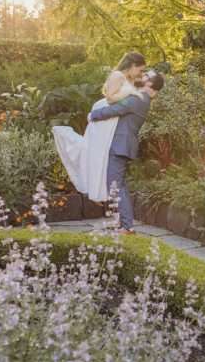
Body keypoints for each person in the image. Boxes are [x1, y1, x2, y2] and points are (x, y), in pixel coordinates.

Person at [52, 53, 153, 205]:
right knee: (92, 150)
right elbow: (110, 98)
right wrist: (130, 92)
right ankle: (65, 136)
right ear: (132, 66)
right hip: (105, 114)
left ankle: (108, 201)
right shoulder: (117, 75)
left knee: (101, 158)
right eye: (140, 69)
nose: (141, 73)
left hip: (112, 120)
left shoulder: (130, 80)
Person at [89, 69, 164, 234]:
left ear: (151, 83)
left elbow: (117, 109)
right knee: (116, 185)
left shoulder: (140, 98)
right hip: (121, 145)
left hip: (120, 146)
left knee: (115, 185)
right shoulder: (140, 97)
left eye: (147, 75)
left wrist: (93, 114)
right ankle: (122, 222)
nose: (143, 75)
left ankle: (126, 226)